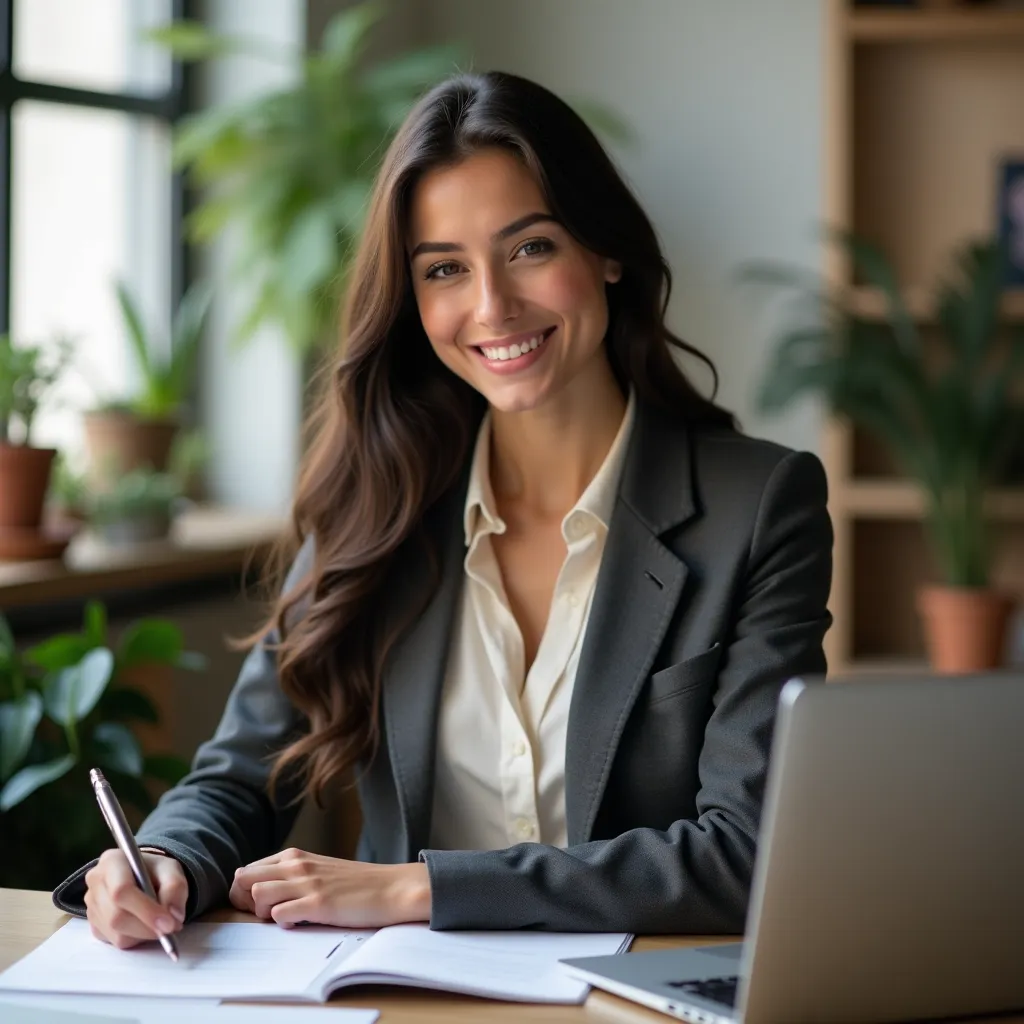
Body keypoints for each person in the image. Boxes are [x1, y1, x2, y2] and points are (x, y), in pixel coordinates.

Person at [55, 70, 832, 948]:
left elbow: (743, 855)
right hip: (402, 999)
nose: (492, 306)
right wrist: (165, 860)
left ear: (606, 250)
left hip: (636, 1001)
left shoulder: (761, 508)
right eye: (445, 270)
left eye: (531, 247)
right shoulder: (377, 503)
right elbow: (241, 776)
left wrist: (420, 888)